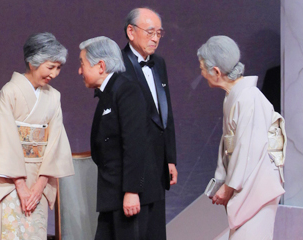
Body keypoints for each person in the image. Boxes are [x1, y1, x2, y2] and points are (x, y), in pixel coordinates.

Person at [0, 32, 74, 239]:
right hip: (9, 179)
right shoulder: (9, 92)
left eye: (58, 68)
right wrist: (21, 186)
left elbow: (55, 143)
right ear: (33, 62)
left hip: (39, 177)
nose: (55, 74)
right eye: (50, 67)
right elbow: (3, 140)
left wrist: (40, 184)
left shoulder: (54, 97)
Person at [197, 35, 285, 239]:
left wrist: (228, 187)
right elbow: (228, 143)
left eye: (202, 68)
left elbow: (249, 149)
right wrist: (220, 180)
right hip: (243, 184)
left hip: (257, 187)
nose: (201, 74)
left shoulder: (249, 98)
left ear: (216, 72)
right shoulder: (234, 96)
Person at [79, 36, 149, 239]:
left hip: (126, 196)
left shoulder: (126, 89)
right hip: (112, 194)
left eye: (82, 64)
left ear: (101, 66)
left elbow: (135, 144)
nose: (80, 71)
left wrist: (132, 191)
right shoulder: (109, 92)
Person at [121, 7, 177, 239]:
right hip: (134, 163)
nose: (155, 38)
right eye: (150, 32)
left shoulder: (159, 63)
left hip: (158, 162)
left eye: (159, 33)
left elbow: (166, 112)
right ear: (131, 32)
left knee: (155, 229)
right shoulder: (119, 65)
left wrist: (170, 158)